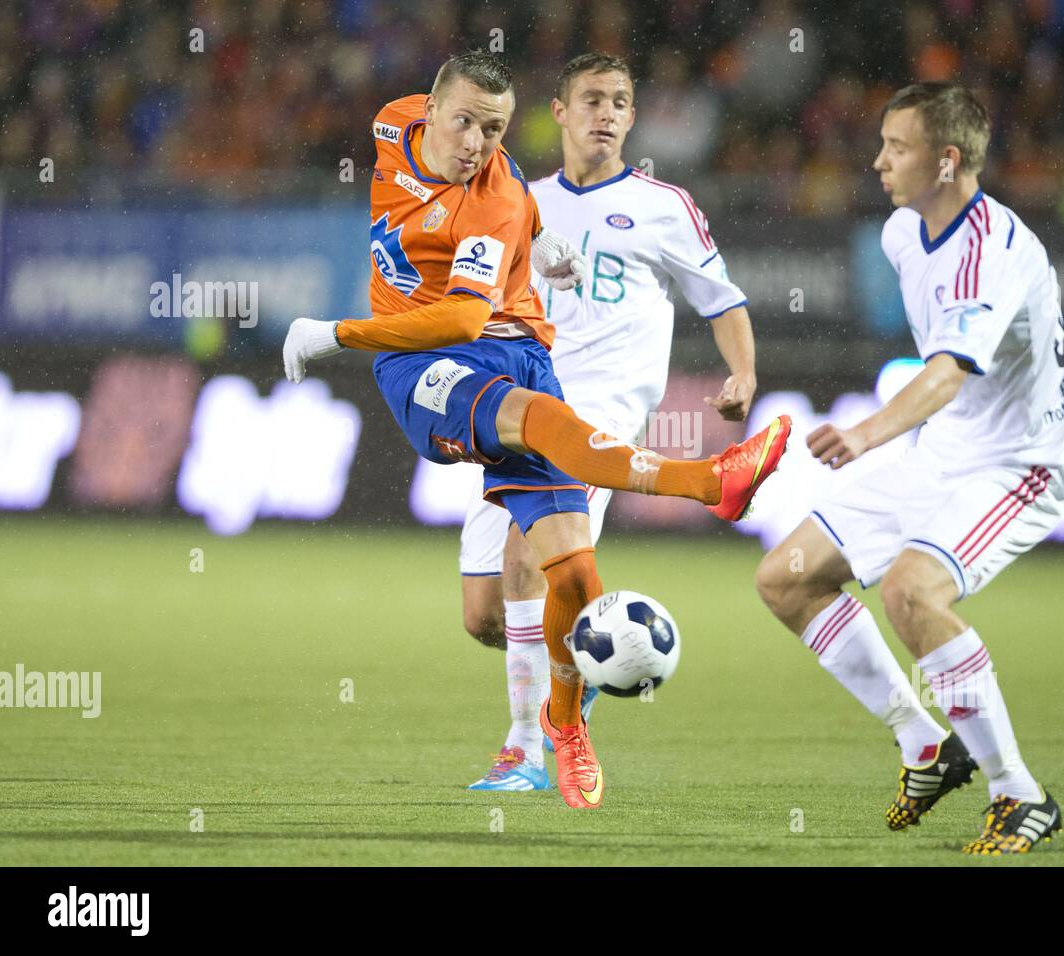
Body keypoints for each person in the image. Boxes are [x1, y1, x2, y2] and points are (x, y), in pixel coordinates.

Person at [282, 50, 791, 809]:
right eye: (464, 123)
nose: (476, 145)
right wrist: (541, 230)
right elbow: (466, 285)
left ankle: (544, 736)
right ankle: (696, 496)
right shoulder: (398, 128)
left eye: (493, 131)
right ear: (428, 111)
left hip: (552, 379)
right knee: (487, 612)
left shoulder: (526, 201)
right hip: (431, 365)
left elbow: (466, 306)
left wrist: (333, 334)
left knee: (566, 573)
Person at [754, 81, 1064, 854]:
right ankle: (926, 742)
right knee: (785, 576)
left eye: (898, 146)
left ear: (947, 160)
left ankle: (1020, 794)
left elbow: (952, 367)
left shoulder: (994, 247)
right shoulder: (901, 233)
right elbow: (1008, 340)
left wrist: (865, 435)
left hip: (1015, 465)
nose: (879, 159)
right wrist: (1057, 384)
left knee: (910, 591)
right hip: (945, 448)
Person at [457, 52, 759, 792]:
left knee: (530, 561)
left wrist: (743, 373)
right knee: (484, 614)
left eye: (621, 101)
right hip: (522, 404)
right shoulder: (519, 202)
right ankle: (583, 660)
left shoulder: (665, 206)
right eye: (592, 99)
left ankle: (529, 747)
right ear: (558, 112)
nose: (608, 113)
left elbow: (723, 299)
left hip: (598, 414)